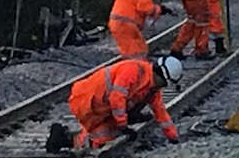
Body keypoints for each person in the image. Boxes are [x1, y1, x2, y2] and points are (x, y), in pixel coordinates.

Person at [50, 56, 182, 152]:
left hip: (101, 108)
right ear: (160, 74)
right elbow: (116, 98)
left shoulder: (151, 89)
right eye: (164, 83)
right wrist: (123, 125)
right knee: (106, 137)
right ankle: (66, 139)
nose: (162, 87)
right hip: (86, 102)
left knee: (101, 137)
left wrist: (173, 137)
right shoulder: (134, 70)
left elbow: (160, 112)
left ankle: (63, 139)